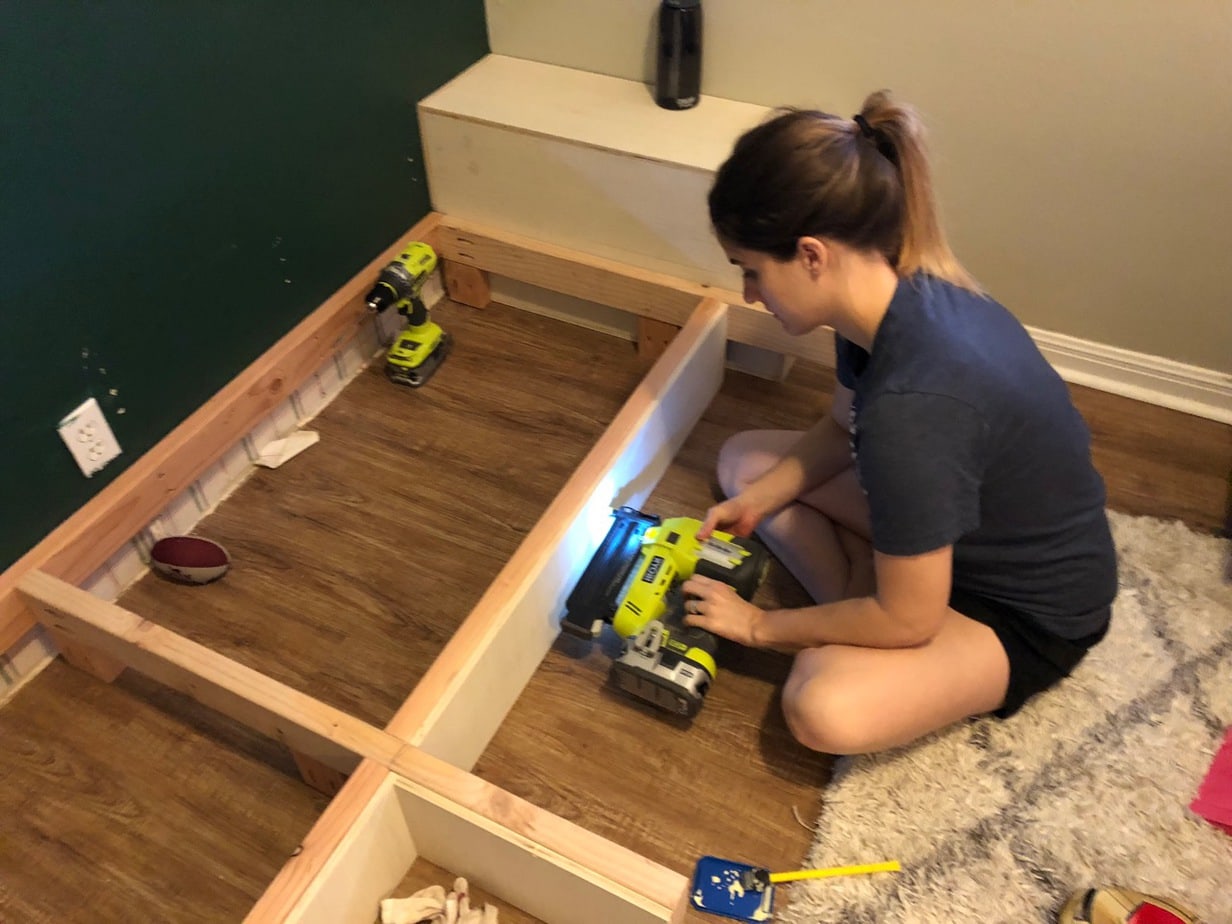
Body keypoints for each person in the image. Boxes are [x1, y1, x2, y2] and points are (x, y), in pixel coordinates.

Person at [679, 91, 1118, 755]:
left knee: (820, 704)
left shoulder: (912, 412)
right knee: (745, 463)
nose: (749, 294)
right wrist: (759, 501)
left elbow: (909, 620)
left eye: (752, 272)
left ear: (811, 254)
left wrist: (761, 626)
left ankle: (866, 599)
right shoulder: (890, 293)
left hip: (1026, 611)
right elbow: (835, 429)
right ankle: (871, 587)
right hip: (955, 533)